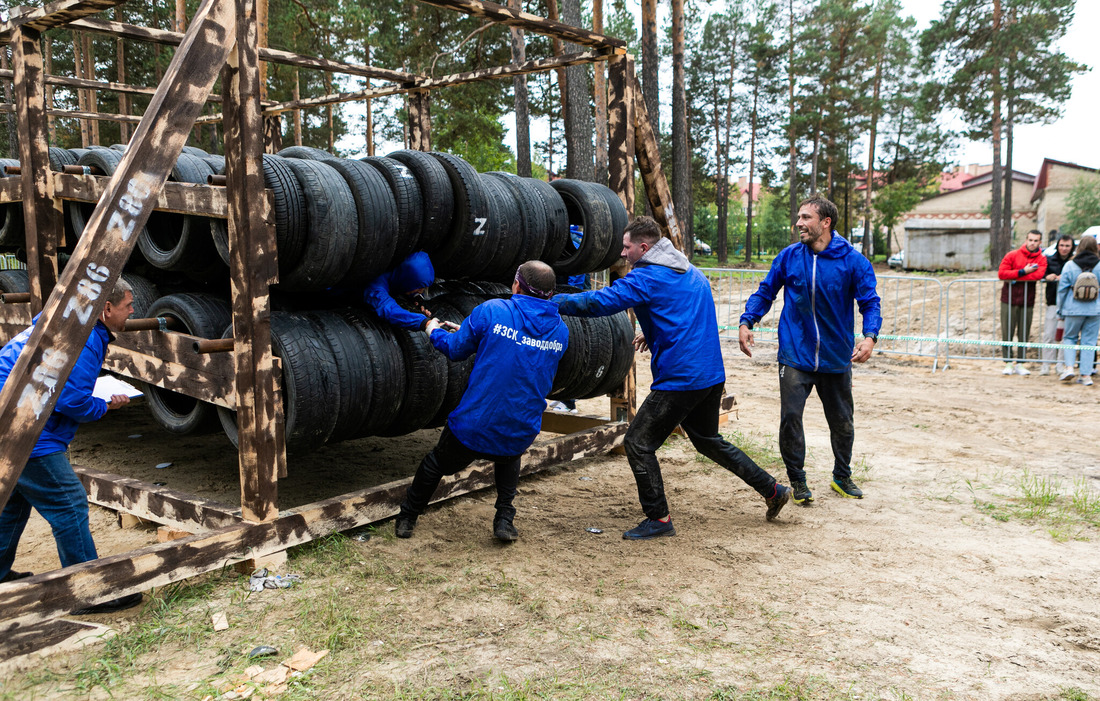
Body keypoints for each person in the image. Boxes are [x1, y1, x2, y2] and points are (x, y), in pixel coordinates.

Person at [555, 216, 791, 541]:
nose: (623, 254)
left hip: (681, 378)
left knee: (638, 442)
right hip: (710, 374)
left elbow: (600, 302)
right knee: (708, 441)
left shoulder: (647, 277)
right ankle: (773, 489)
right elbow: (684, 313)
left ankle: (659, 519)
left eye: (626, 248)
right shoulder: (689, 271)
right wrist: (654, 336)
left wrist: (550, 301)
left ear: (643, 247)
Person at [395, 261, 568, 542]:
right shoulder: (561, 330)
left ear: (516, 285)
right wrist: (475, 330)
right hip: (522, 427)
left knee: (435, 464)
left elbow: (454, 349)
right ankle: (504, 519)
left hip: (475, 426)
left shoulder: (492, 311)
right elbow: (521, 352)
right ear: (551, 293)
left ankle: (407, 516)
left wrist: (431, 328)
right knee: (508, 455)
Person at [0, 278, 141, 614]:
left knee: (14, 502)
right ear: (106, 309)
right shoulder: (85, 338)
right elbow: (72, 400)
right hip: (24, 428)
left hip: (12, 415)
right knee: (69, 503)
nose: (133, 311)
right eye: (128, 305)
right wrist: (105, 405)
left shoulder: (67, 320)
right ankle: (86, 590)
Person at [739, 196, 881, 505]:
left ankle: (842, 476)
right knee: (791, 417)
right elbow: (766, 291)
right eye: (799, 217)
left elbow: (870, 302)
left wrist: (870, 337)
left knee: (842, 421)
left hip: (835, 355)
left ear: (825, 223)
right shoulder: (790, 256)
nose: (799, 223)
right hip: (795, 353)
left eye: (806, 217)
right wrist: (747, 320)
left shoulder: (853, 261)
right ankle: (798, 481)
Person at [997, 230, 1047, 375]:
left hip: (1027, 301)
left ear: (1040, 242)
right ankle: (1007, 362)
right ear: (1026, 240)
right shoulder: (1012, 255)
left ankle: (1020, 362)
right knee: (1007, 332)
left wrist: (1014, 276)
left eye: (1036, 240)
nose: (1032, 243)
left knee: (1024, 333)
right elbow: (1002, 274)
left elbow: (1038, 275)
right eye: (1030, 240)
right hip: (1009, 299)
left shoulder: (1041, 259)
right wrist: (1023, 272)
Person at [1056, 235, 1100, 386]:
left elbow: (1062, 290)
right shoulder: (1099, 265)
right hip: (1094, 309)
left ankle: (1069, 368)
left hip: (1072, 308)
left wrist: (1060, 310)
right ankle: (1086, 375)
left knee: (1070, 338)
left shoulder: (1069, 265)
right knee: (1089, 342)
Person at [361, 251, 436, 330]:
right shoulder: (376, 287)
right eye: (419, 288)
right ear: (407, 281)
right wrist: (424, 323)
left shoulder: (401, 278)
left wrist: (418, 300)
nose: (421, 292)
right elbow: (389, 310)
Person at [1040, 235, 1075, 375]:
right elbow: (1042, 274)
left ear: (1071, 247)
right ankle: (1046, 364)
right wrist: (1047, 277)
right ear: (1057, 246)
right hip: (1053, 302)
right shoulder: (1049, 260)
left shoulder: (1074, 262)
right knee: (1049, 334)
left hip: (1070, 304)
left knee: (1065, 336)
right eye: (1062, 245)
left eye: (1067, 246)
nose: (1064, 249)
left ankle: (1061, 365)